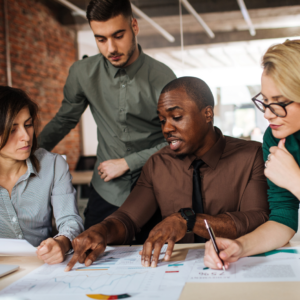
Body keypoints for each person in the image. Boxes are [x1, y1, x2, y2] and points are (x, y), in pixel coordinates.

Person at [64, 77, 269, 272]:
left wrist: (188, 220)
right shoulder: (158, 163)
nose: (167, 128)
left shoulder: (251, 155)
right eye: (162, 120)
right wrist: (102, 230)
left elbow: (258, 218)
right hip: (175, 271)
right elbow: (128, 218)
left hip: (236, 266)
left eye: (177, 117)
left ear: (207, 114)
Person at [37, 0, 176, 230]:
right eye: (100, 39)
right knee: (90, 256)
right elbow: (64, 121)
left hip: (156, 189)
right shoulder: (82, 74)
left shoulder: (164, 78)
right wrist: (27, 152)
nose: (110, 48)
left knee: (157, 260)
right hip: (107, 191)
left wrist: (127, 163)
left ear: (134, 26)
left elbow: (175, 141)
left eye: (118, 35)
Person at [204, 39, 300, 270]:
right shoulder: (276, 138)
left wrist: (295, 181)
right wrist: (240, 246)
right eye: (264, 101)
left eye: (278, 103)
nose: (267, 114)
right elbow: (283, 218)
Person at [0, 86, 84, 265]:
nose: (26, 137)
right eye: (13, 129)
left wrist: (61, 243)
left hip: (42, 267)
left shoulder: (52, 164)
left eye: (28, 125)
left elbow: (70, 220)